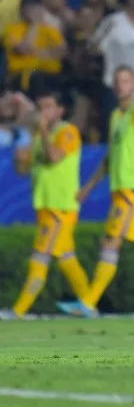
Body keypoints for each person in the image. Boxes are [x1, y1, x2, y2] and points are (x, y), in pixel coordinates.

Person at [58, 66, 134, 318]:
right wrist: (89, 187)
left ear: (133, 84)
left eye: (125, 81)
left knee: (110, 242)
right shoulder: (116, 116)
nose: (120, 86)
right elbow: (110, 156)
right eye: (117, 81)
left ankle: (88, 303)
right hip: (123, 189)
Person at [0, 92, 89, 319]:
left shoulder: (67, 132)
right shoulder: (38, 135)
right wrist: (21, 158)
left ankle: (19, 310)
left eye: (48, 107)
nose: (42, 113)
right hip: (46, 204)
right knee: (66, 258)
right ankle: (89, 304)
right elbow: (23, 170)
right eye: (40, 108)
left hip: (60, 206)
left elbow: (54, 157)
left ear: (60, 110)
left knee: (40, 256)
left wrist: (42, 132)